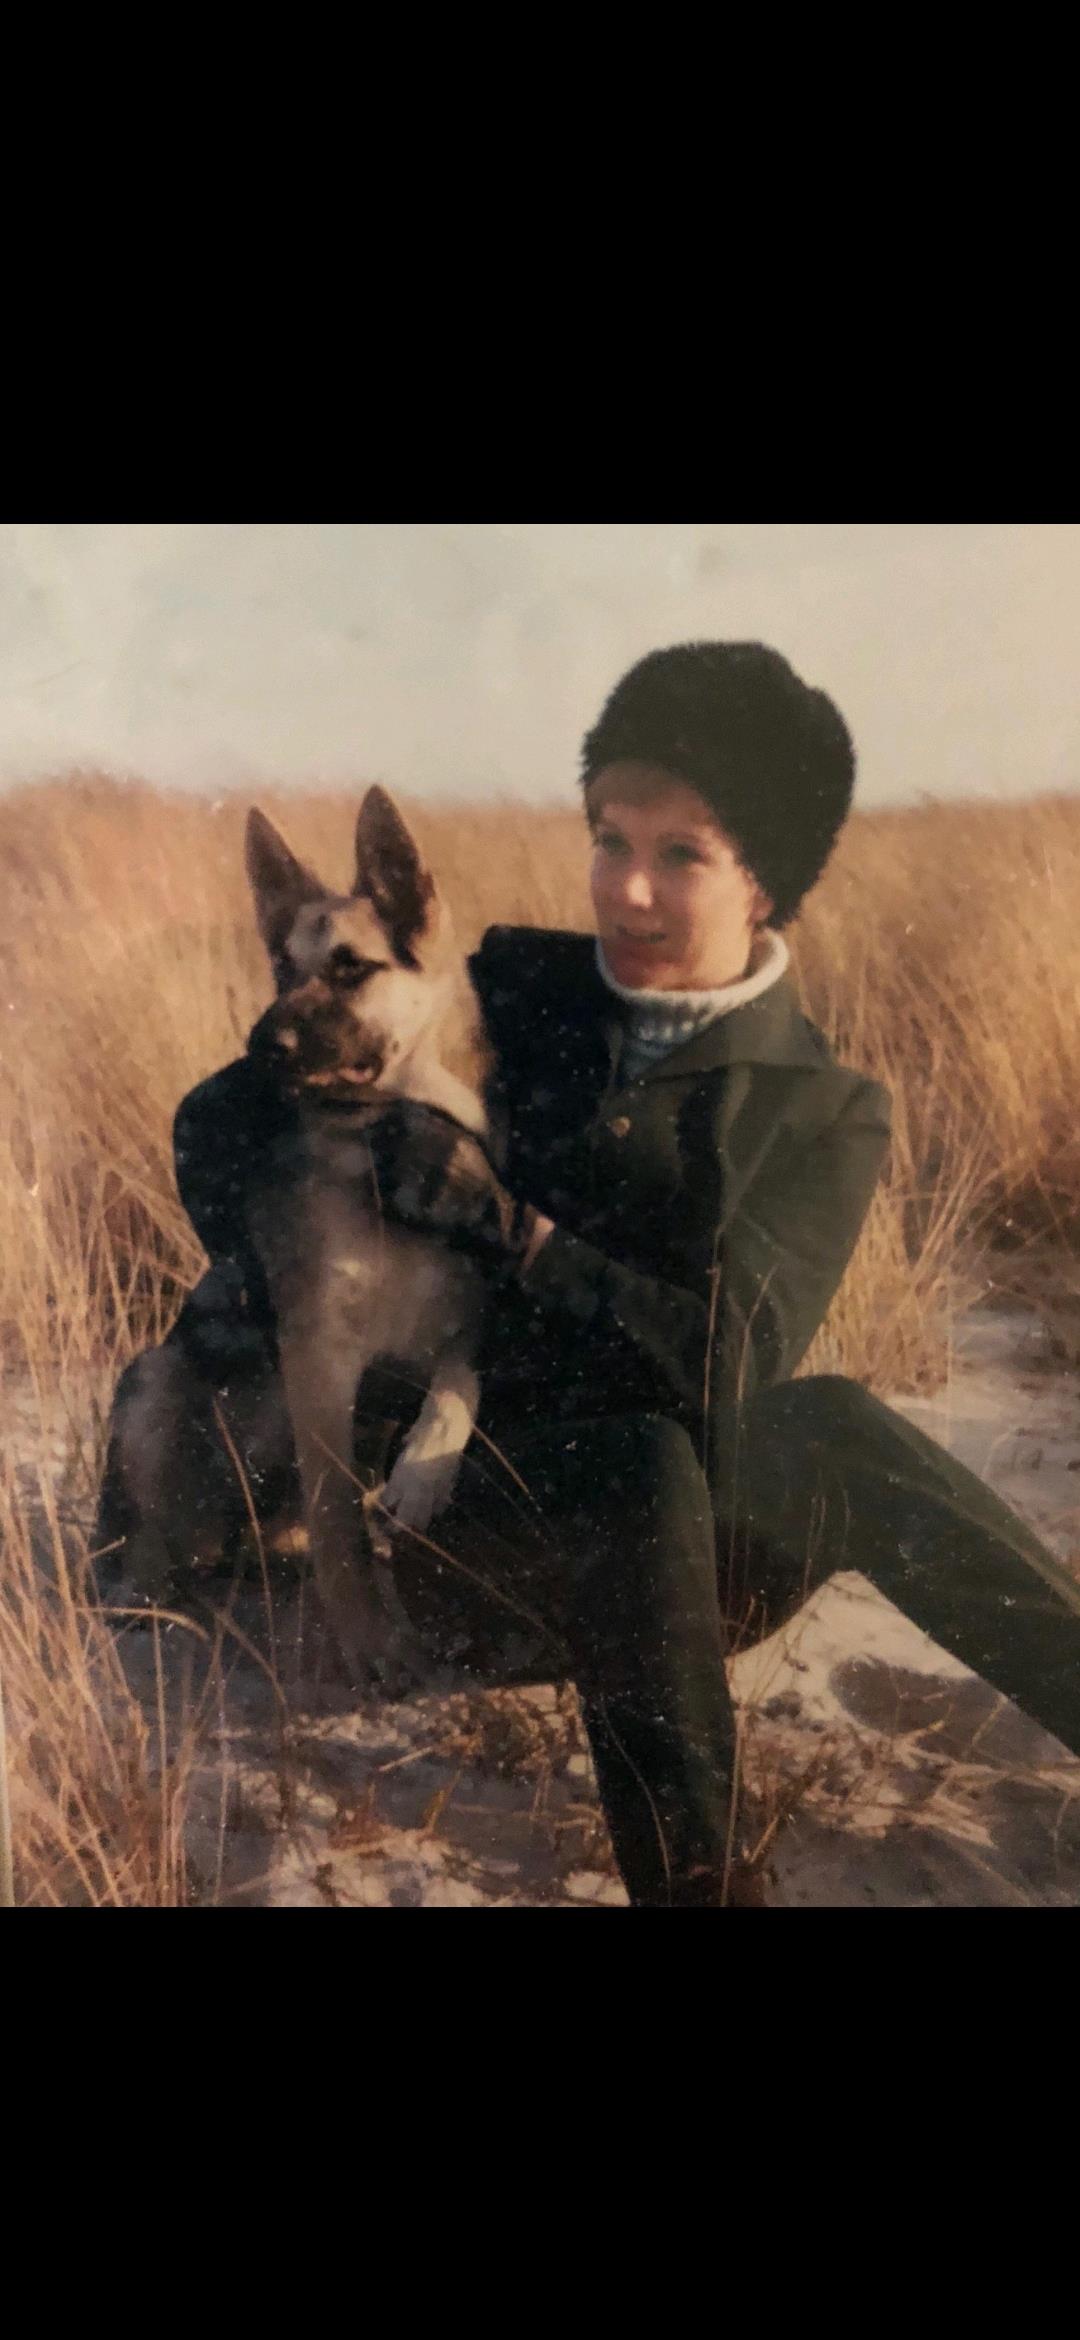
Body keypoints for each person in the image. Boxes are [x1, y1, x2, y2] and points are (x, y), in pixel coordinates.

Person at [126, 642, 1080, 1907]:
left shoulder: (822, 1109)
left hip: (682, 1561)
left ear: (771, 882)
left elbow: (725, 1362)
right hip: (470, 1535)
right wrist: (340, 1117)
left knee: (830, 1425)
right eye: (607, 837)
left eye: (681, 853)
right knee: (634, 1462)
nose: (627, 890)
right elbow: (210, 1134)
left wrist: (514, 1233)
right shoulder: (514, 989)